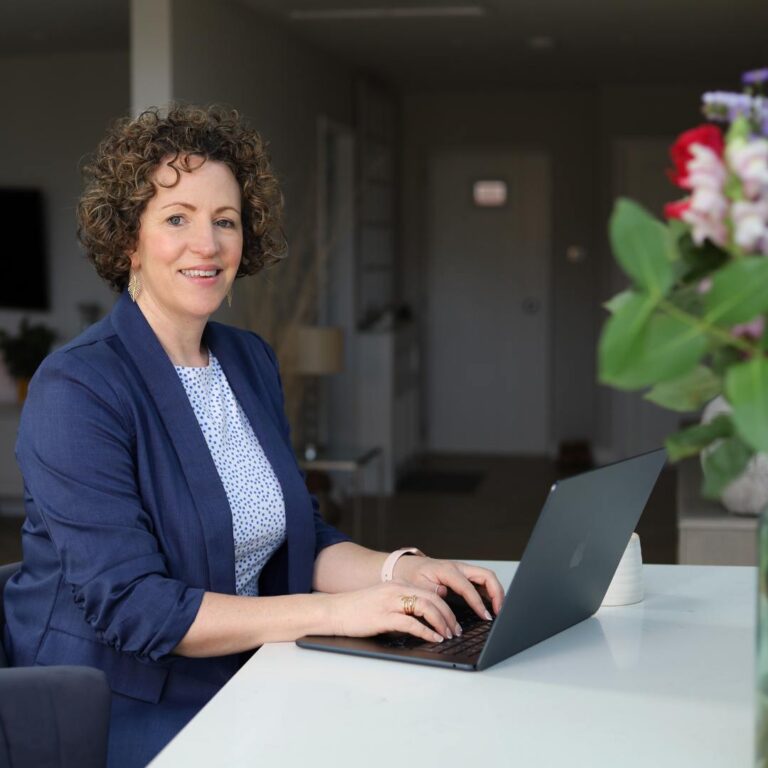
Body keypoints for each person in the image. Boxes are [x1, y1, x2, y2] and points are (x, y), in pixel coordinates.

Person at [2, 105, 504, 767]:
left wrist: (401, 571)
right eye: (176, 217)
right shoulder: (79, 389)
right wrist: (336, 613)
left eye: (226, 221)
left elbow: (299, 534)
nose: (206, 245)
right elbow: (136, 609)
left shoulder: (247, 360)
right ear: (129, 240)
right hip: (116, 704)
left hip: (245, 672)